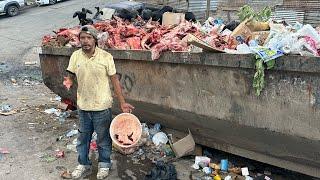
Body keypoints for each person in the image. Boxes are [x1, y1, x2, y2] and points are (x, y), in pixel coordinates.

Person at [63, 25, 134, 179]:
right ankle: (83, 164)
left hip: (102, 107)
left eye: (88, 38)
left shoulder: (106, 57)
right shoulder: (76, 56)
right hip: (83, 106)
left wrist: (122, 102)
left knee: (103, 139)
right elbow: (70, 73)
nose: (85, 41)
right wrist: (68, 80)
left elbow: (115, 81)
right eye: (82, 38)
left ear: (95, 40)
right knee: (83, 139)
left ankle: (104, 165)